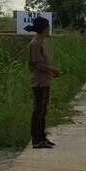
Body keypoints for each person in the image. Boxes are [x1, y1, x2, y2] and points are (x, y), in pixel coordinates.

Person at [28, 16, 61, 149]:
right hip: (38, 82)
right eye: (48, 27)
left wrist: (51, 73)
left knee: (43, 111)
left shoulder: (41, 42)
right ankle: (36, 140)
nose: (49, 30)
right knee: (38, 111)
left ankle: (42, 137)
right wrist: (53, 70)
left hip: (44, 81)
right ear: (44, 28)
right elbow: (38, 64)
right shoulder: (35, 43)